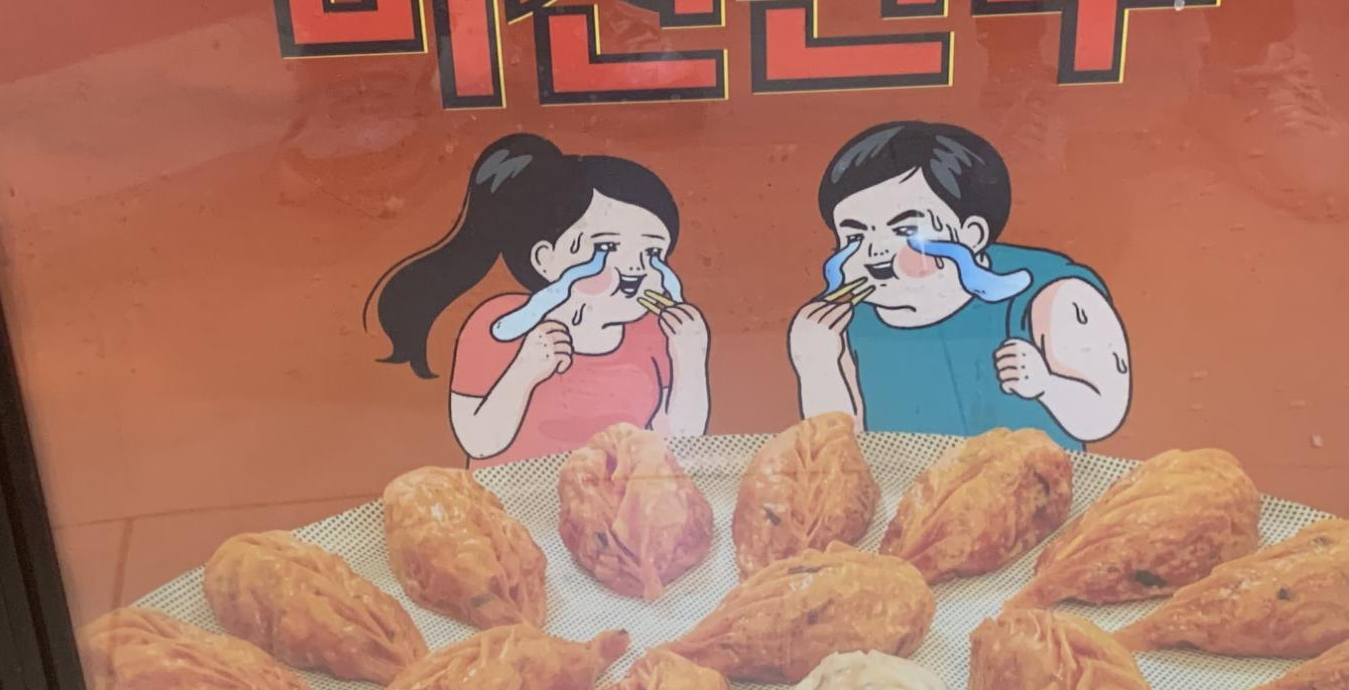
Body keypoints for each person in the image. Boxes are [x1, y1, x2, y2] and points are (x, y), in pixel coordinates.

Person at [369, 134, 709, 466]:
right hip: (511, 499)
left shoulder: (653, 333)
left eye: (653, 251)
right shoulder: (502, 323)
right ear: (545, 258)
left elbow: (679, 445)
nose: (635, 267)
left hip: (619, 500)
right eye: (606, 247)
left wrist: (690, 360)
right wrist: (525, 370)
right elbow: (478, 441)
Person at [788, 120, 1129, 449]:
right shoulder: (845, 323)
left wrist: (1046, 385)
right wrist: (817, 364)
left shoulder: (1047, 294)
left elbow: (1102, 416)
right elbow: (839, 454)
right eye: (854, 236)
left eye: (905, 230)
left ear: (972, 235)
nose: (875, 252)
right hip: (908, 489)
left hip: (1041, 486)